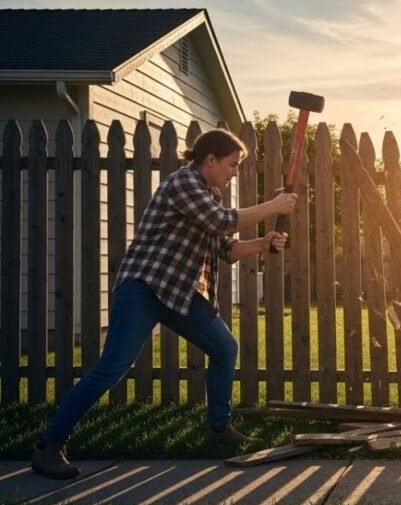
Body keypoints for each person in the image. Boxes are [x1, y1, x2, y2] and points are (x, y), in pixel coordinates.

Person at [32, 128, 298, 479]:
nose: (235, 172)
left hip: (179, 293)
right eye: (233, 165)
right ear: (211, 160)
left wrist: (263, 243)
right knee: (112, 367)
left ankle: (218, 429)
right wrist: (274, 207)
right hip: (144, 288)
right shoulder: (183, 183)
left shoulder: (209, 195)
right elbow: (221, 222)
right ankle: (49, 446)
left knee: (224, 347)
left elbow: (225, 249)